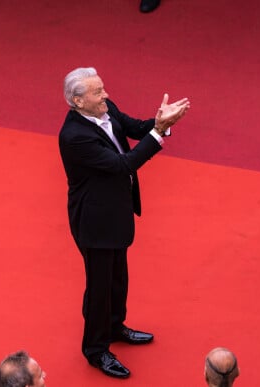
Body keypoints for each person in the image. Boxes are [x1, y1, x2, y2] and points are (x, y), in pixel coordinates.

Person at [58, 67, 190, 378]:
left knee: (118, 276)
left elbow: (134, 128)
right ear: (77, 101)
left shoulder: (105, 107)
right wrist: (158, 134)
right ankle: (95, 349)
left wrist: (161, 123)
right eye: (96, 91)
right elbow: (123, 164)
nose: (104, 94)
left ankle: (115, 326)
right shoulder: (74, 136)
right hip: (94, 220)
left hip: (115, 211)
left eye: (102, 87)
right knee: (100, 286)